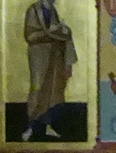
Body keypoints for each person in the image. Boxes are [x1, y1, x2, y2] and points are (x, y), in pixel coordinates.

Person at [21, 0, 76, 139]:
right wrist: (52, 32)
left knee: (52, 90)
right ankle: (30, 126)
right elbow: (30, 35)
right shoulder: (33, 10)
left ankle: (47, 126)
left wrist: (61, 30)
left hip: (54, 54)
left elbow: (56, 30)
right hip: (38, 54)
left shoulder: (52, 10)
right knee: (37, 87)